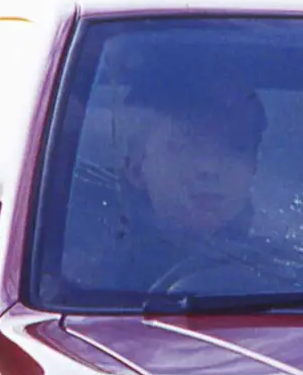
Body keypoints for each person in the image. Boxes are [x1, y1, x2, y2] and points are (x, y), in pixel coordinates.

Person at [82, 75, 272, 292]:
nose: (209, 167)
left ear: (254, 167)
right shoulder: (95, 287)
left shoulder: (289, 274)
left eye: (235, 147)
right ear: (136, 167)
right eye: (183, 144)